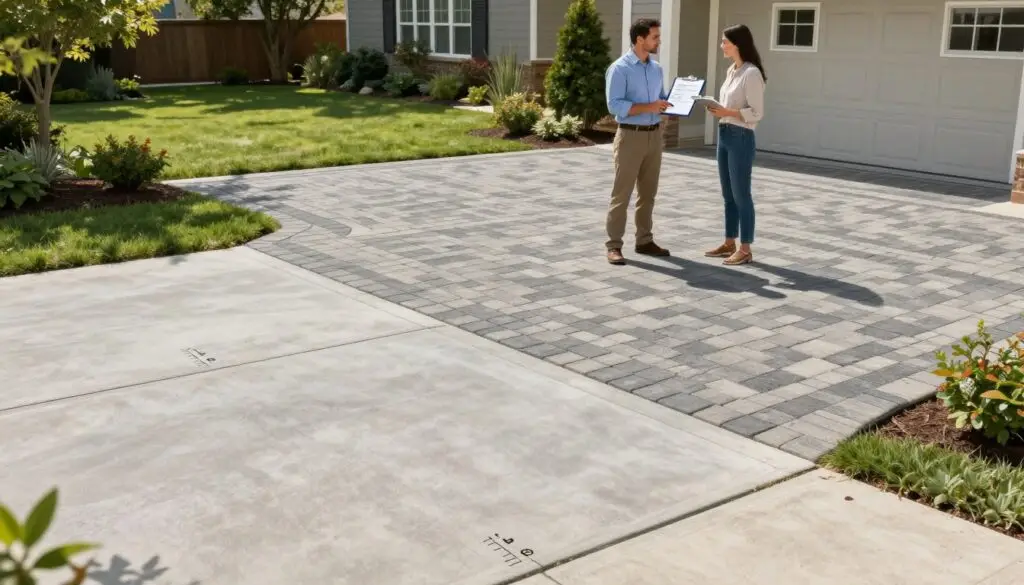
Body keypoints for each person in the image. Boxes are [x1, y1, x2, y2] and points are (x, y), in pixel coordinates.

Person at [603, 18, 673, 266]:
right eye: (655, 37)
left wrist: (675, 102)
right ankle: (613, 246)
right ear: (640, 39)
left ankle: (644, 240)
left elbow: (661, 99)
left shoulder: (656, 69)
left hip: (654, 136)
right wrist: (650, 106)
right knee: (621, 194)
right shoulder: (619, 69)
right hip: (630, 136)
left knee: (648, 193)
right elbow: (615, 105)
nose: (659, 41)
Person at [704, 24, 766, 266]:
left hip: (741, 137)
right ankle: (729, 242)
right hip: (725, 134)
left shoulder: (752, 73)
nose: (722, 46)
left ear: (737, 44)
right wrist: (718, 110)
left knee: (742, 195)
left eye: (724, 42)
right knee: (728, 195)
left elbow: (757, 112)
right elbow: (731, 107)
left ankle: (746, 248)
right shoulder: (732, 70)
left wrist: (726, 111)